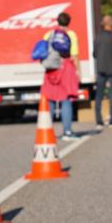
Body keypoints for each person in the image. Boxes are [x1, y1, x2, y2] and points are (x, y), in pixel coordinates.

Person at [40, 12, 81, 140]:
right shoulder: (71, 35)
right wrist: (78, 71)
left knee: (50, 99)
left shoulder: (48, 34)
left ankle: (47, 132)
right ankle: (67, 132)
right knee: (66, 99)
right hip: (66, 67)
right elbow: (74, 55)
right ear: (69, 22)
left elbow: (43, 51)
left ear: (58, 21)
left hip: (51, 69)